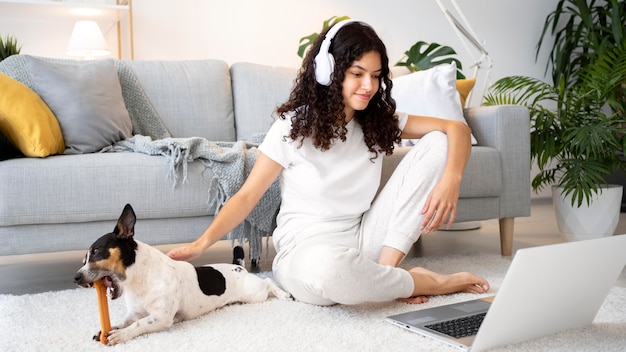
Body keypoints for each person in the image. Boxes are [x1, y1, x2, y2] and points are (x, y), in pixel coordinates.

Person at [167, 20, 489, 305]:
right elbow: (248, 196)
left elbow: (455, 129)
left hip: (364, 240)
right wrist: (202, 242)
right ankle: (423, 283)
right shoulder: (292, 127)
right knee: (332, 274)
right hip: (305, 254)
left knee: (437, 142)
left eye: (375, 76)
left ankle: (386, 278)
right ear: (329, 72)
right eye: (357, 74)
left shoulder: (377, 120)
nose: (369, 86)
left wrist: (451, 179)